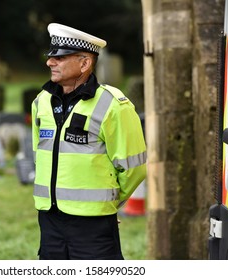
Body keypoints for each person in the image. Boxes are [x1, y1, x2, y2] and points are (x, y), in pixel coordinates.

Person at [31, 23, 147, 260]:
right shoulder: (41, 101)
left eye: (60, 58)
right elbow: (39, 153)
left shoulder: (114, 106)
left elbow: (134, 167)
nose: (50, 62)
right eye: (50, 57)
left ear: (84, 63)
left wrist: (107, 203)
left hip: (93, 225)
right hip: (49, 219)